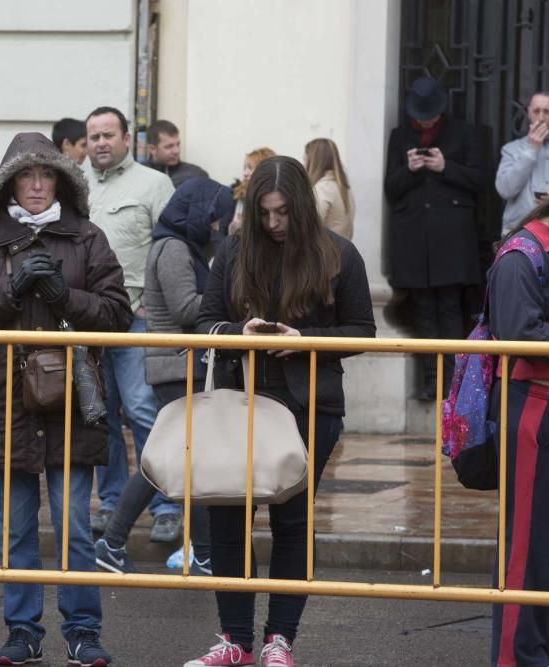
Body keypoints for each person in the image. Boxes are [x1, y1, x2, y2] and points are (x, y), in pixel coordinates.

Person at [0, 131, 131, 667]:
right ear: (8, 185)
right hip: (6, 405)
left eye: (46, 175)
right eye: (27, 176)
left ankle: (83, 630)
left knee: (74, 526)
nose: (37, 186)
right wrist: (11, 287)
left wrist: (63, 296)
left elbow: (117, 313)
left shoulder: (87, 237)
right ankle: (22, 629)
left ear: (62, 182)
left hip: (73, 405)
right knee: (16, 527)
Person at [186, 156, 374, 667]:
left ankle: (279, 640)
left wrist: (307, 339)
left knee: (292, 520)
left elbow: (362, 331)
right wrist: (234, 335)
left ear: (302, 209)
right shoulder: (233, 251)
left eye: (284, 213)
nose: (273, 224)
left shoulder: (338, 255)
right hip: (236, 405)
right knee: (227, 518)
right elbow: (204, 321)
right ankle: (235, 640)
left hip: (307, 406)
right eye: (265, 213)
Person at [94, 176, 233, 577]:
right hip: (177, 367)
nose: (218, 228)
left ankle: (201, 554)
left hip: (182, 366)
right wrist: (229, 301)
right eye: (215, 219)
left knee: (187, 463)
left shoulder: (179, 246)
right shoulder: (172, 249)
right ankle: (113, 542)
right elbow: (187, 308)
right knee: (163, 462)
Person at [84, 106, 182, 542]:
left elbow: (171, 246)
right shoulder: (75, 186)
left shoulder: (154, 183)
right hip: (88, 322)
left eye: (108, 135)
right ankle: (111, 502)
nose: (101, 143)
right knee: (99, 418)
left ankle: (164, 505)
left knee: (144, 414)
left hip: (136, 320)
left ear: (127, 139)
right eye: (94, 136)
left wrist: (155, 306)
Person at [485, 187, 549, 666]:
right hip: (535, 407)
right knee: (527, 547)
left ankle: (537, 649)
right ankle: (516, 657)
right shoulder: (521, 256)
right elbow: (520, 334)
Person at [385, 77, 484, 401]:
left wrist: (445, 166)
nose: (425, 121)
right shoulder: (400, 137)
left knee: (451, 308)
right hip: (415, 239)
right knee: (424, 310)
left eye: (430, 115)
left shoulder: (463, 133)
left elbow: (481, 181)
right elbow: (391, 188)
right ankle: (431, 380)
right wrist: (409, 169)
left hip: (452, 240)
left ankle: (455, 381)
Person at [495, 91, 549, 235]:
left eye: (547, 111)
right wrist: (530, 151)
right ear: (528, 113)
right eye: (536, 111)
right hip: (521, 232)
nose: (540, 117)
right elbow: (505, 190)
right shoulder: (511, 149)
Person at [304, 138, 355, 239]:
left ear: (313, 162)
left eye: (305, 160)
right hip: (342, 251)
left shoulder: (323, 189)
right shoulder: (344, 188)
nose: (303, 165)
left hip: (327, 252)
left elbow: (308, 229)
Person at [146, 119, 209, 188]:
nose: (176, 151)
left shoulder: (196, 175)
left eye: (178, 144)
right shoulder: (140, 175)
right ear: (152, 149)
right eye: (169, 146)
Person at [230, 147, 276, 234]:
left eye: (250, 168)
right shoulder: (234, 194)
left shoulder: (272, 202)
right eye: (245, 168)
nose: (245, 173)